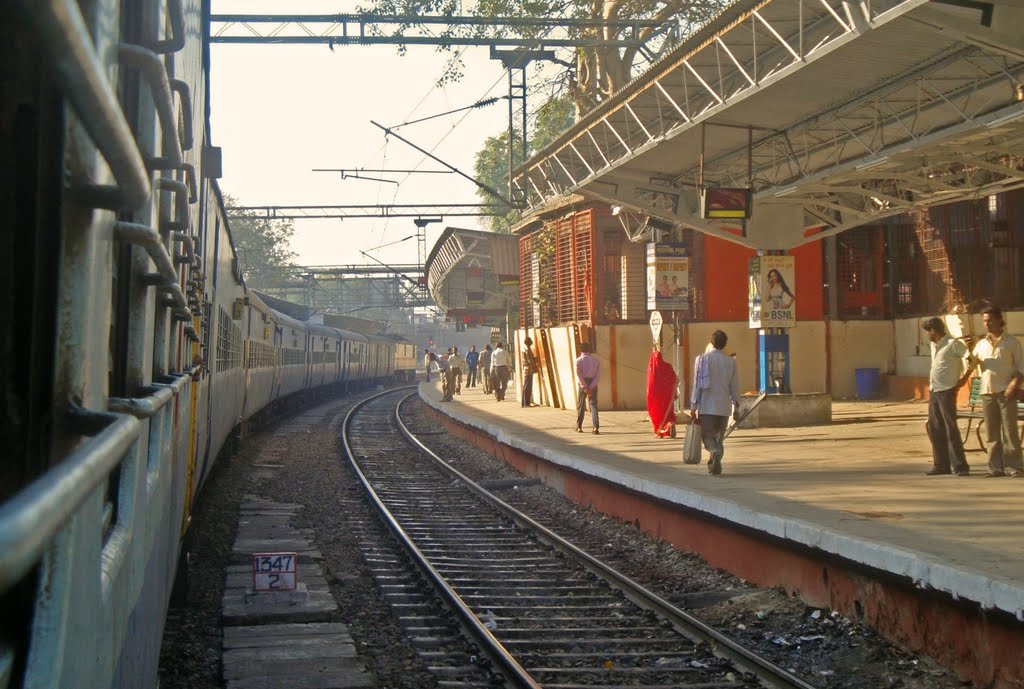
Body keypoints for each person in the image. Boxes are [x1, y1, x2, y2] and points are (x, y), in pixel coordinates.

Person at [968, 306, 1024, 477]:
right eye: (984, 321)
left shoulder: (1011, 343)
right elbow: (972, 364)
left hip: (1006, 392)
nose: (987, 324)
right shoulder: (981, 344)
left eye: (990, 320)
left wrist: (1014, 384)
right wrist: (968, 351)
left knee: (1009, 431)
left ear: (1000, 320)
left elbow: (1021, 368)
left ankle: (1015, 467)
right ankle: (995, 468)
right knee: (992, 433)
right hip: (987, 392)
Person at [922, 317, 971, 476]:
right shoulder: (933, 345)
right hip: (934, 389)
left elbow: (972, 359)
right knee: (935, 428)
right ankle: (941, 465)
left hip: (947, 390)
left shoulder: (953, 344)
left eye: (928, 331)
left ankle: (960, 466)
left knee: (951, 428)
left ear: (933, 331)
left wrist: (964, 379)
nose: (927, 335)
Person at [691, 330, 740, 475]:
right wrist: (736, 406)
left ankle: (714, 452)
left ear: (712, 343)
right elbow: (734, 386)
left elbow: (697, 385)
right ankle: (715, 466)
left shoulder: (701, 360)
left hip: (707, 406)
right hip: (724, 407)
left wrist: (693, 405)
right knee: (719, 437)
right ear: (725, 345)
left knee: (707, 436)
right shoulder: (731, 362)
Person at [646, 347, 678, 438]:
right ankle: (671, 425)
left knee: (658, 415)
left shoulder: (652, 370)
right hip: (667, 397)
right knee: (668, 413)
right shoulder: (668, 367)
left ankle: (660, 432)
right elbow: (675, 379)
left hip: (656, 399)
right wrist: (673, 392)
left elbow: (650, 386)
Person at [575, 342, 600, 434]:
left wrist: (585, 386)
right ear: (589, 349)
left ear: (580, 350)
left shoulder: (578, 361)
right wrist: (591, 386)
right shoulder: (596, 361)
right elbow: (597, 376)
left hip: (583, 384)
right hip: (593, 383)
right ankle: (595, 427)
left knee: (581, 405)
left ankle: (579, 427)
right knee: (593, 405)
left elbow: (579, 375)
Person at [521, 336, 539, 407]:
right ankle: (526, 403)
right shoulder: (527, 350)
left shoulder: (525, 349)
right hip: (529, 369)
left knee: (527, 386)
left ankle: (525, 403)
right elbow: (529, 360)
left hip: (527, 369)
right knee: (527, 386)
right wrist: (536, 359)